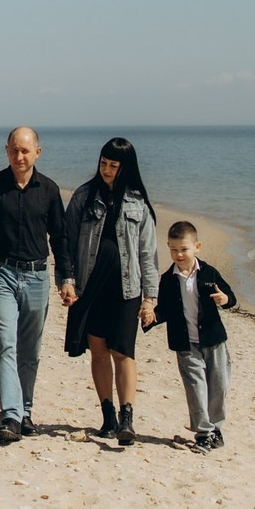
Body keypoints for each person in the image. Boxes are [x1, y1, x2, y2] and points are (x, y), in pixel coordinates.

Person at [0, 127, 74, 443]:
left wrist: (66, 279)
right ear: (6, 150)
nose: (19, 156)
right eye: (14, 150)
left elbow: (61, 238)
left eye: (25, 151)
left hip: (38, 276)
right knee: (5, 343)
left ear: (37, 152)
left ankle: (26, 411)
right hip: (0, 273)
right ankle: (10, 416)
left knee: (31, 350)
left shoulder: (50, 190)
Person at [63, 136, 158, 444]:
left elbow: (148, 254)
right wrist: (67, 280)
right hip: (90, 285)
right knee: (99, 351)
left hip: (126, 288)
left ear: (125, 167)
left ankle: (127, 418)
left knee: (124, 352)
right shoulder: (83, 196)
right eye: (103, 163)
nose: (106, 170)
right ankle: (108, 417)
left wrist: (151, 298)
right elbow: (67, 241)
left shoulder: (138, 203)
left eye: (113, 165)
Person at [148, 220, 237, 453]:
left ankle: (216, 428)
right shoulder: (168, 279)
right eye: (174, 249)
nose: (179, 254)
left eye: (184, 249)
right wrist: (151, 318)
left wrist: (225, 300)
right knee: (196, 387)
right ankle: (203, 433)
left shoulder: (209, 273)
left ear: (197, 246)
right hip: (185, 343)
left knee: (218, 386)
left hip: (214, 340)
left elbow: (231, 296)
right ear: (168, 246)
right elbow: (165, 310)